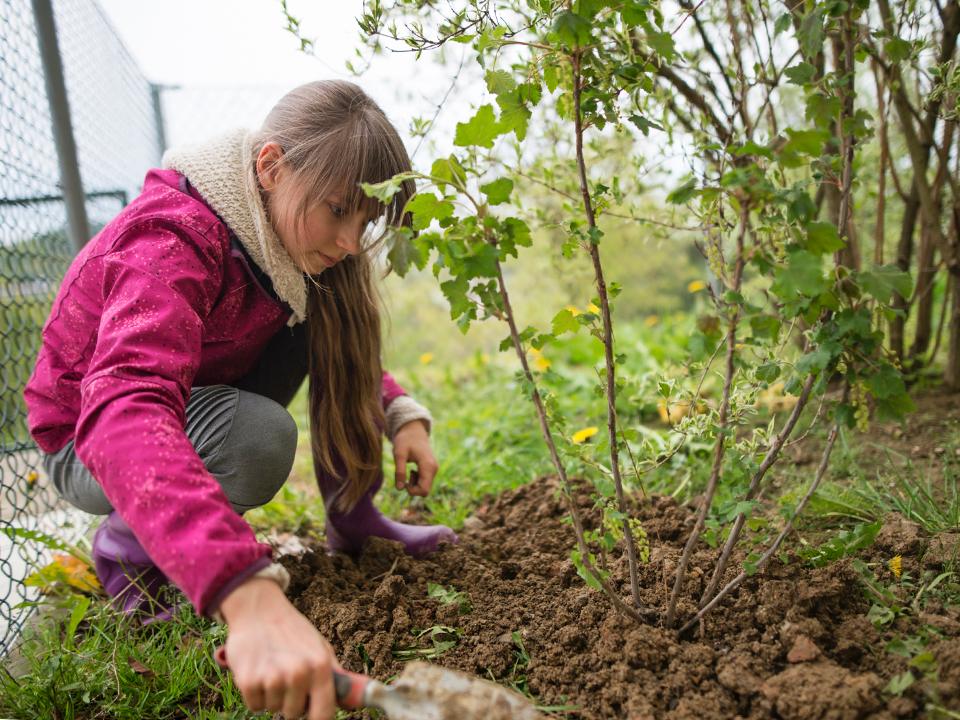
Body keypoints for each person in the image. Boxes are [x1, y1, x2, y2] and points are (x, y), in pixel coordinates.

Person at [23, 79, 458, 720]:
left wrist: (396, 412)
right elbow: (124, 410)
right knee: (258, 439)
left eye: (363, 223)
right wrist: (243, 589)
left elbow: (344, 354)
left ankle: (352, 514)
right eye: (338, 209)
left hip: (186, 400)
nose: (347, 240)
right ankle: (127, 546)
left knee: (325, 312)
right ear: (271, 166)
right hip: (88, 436)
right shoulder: (170, 239)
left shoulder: (285, 246)